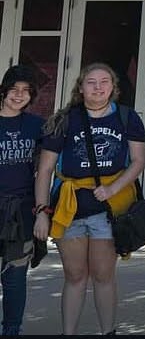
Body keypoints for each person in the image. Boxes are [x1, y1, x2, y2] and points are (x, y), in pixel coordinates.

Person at [33, 62, 145, 336]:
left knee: (103, 276)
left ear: (113, 87)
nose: (98, 87)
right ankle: (68, 332)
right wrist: (41, 210)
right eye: (91, 82)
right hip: (69, 209)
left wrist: (113, 188)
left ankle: (108, 331)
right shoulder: (64, 120)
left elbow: (139, 161)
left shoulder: (126, 117)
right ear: (81, 88)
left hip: (108, 210)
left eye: (104, 81)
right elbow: (46, 168)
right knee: (74, 276)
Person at [0, 66, 43, 337]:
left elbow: (46, 169)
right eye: (14, 89)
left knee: (15, 278)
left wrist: (42, 211)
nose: (19, 95)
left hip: (21, 212)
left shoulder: (37, 125)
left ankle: (12, 329)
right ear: (3, 90)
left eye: (26, 91)